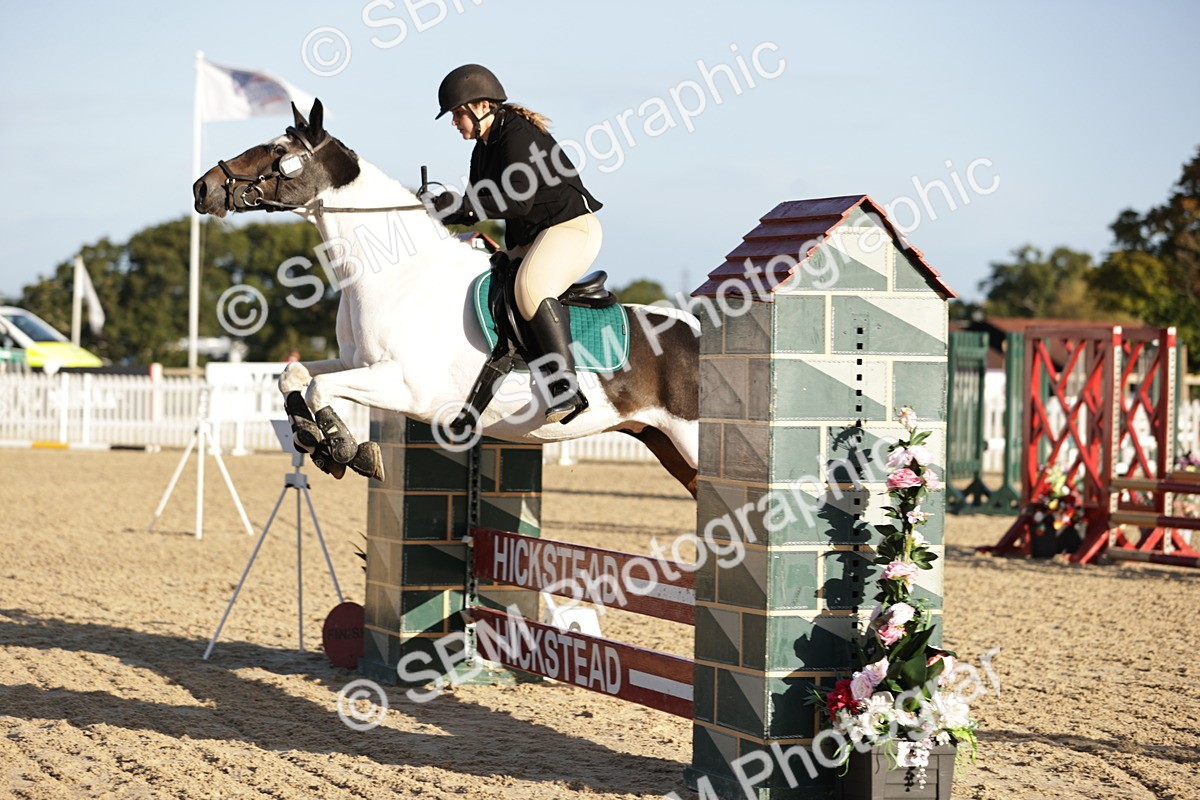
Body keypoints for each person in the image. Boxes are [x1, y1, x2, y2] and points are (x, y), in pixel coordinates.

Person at [428, 64, 603, 425]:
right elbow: (478, 204)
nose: (453, 122)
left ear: (480, 107)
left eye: (457, 113)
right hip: (531, 238)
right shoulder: (482, 149)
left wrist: (464, 205)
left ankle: (565, 389)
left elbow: (516, 202)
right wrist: (443, 210)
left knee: (529, 287)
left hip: (570, 229)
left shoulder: (517, 134)